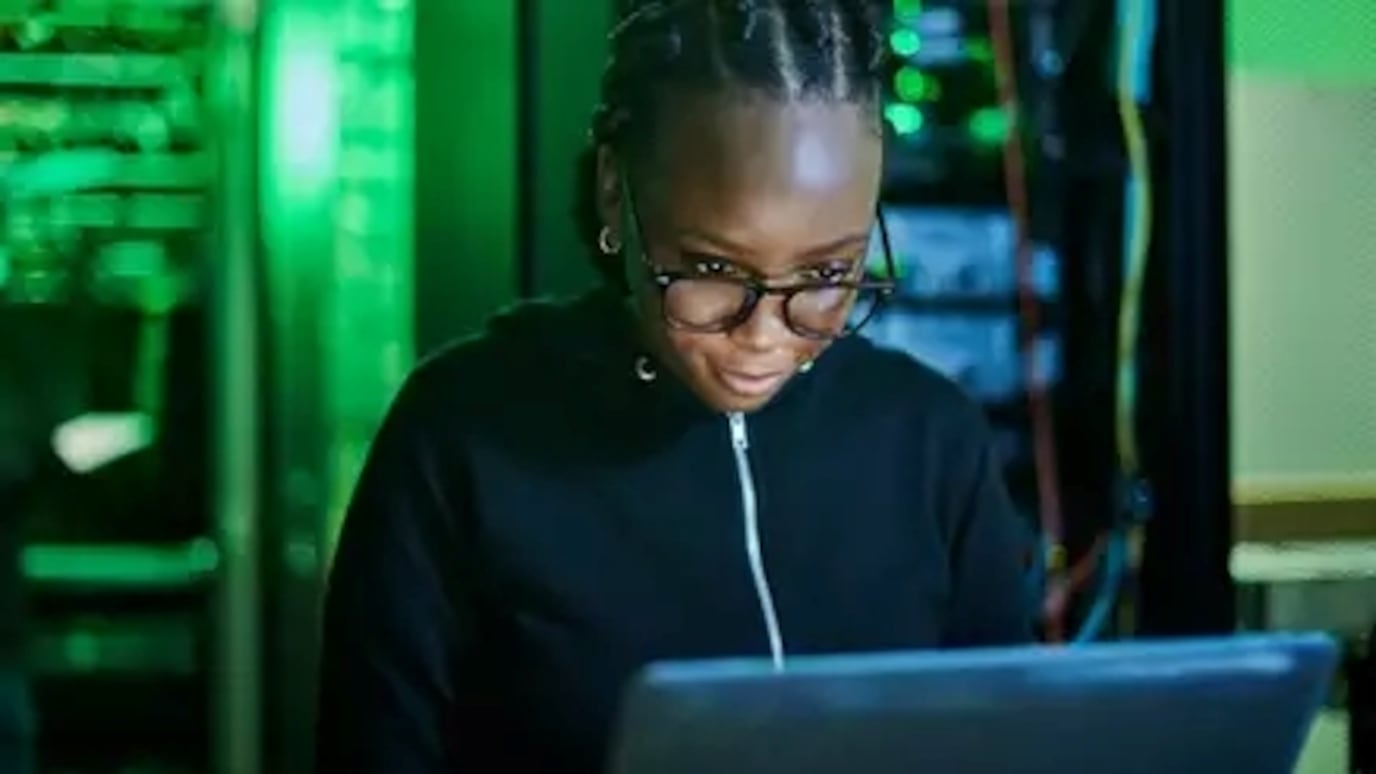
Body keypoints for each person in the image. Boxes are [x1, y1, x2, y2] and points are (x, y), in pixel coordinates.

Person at [315, 1, 1033, 771]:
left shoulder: (928, 440)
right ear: (614, 192)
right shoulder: (459, 434)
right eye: (715, 271)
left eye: (827, 275)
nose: (765, 335)